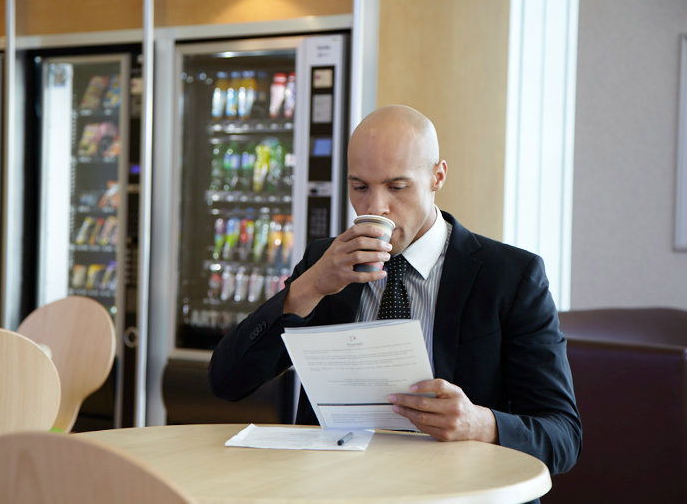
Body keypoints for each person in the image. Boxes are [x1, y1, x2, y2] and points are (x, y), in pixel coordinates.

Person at [209, 104, 581, 475]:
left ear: (438, 176)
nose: (376, 207)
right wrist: (309, 287)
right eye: (360, 187)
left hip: (456, 492)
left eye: (397, 186)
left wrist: (480, 424)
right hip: (335, 490)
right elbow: (227, 381)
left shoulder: (511, 276)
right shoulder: (326, 263)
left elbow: (563, 436)